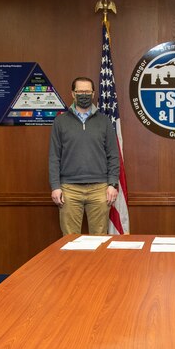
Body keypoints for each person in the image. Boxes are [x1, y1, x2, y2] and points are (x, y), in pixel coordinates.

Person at [49, 77, 119, 235]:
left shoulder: (104, 121)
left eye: (87, 91)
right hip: (69, 189)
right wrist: (55, 187)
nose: (84, 94)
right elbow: (54, 157)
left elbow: (113, 156)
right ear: (73, 93)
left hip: (100, 189)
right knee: (69, 240)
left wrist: (112, 184)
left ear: (93, 93)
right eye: (80, 91)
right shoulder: (60, 122)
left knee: (99, 239)